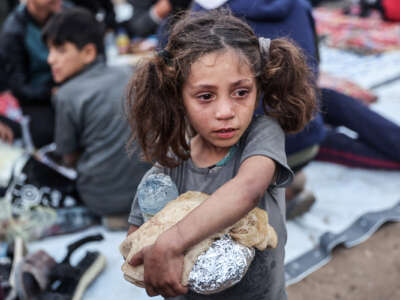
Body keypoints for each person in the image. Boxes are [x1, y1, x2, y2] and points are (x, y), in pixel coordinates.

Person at [125, 9, 317, 299]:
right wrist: (152, 255)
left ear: (258, 87)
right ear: (179, 97)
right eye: (205, 96)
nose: (226, 112)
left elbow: (247, 190)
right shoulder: (171, 163)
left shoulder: (261, 133)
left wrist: (172, 242)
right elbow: (136, 241)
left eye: (241, 92)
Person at [42, 7, 151, 226]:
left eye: (60, 50)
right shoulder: (128, 74)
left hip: (103, 200)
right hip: (149, 192)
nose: (50, 59)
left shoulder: (66, 94)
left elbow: (68, 156)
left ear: (89, 53)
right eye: (50, 50)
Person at [0, 0, 65, 148]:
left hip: (64, 85)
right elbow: (19, 87)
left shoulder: (60, 13)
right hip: (36, 99)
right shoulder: (14, 31)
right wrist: (50, 92)